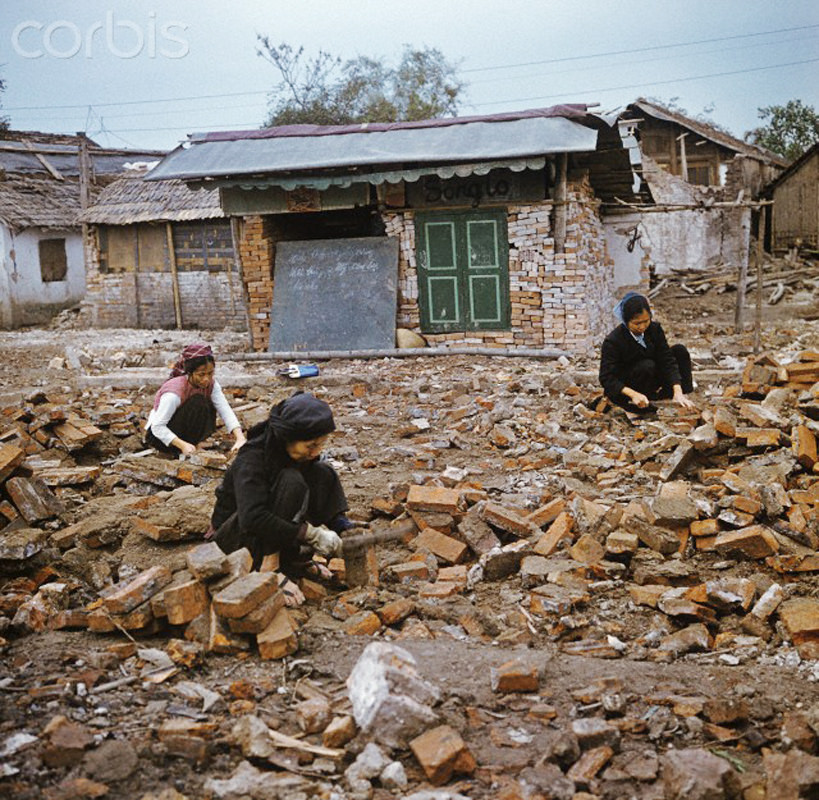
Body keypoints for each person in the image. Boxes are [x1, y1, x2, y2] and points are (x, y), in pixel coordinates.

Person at [208, 391, 352, 604]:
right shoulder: (252, 460)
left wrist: (341, 529)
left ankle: (292, 561)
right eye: (311, 446)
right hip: (234, 541)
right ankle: (269, 567)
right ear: (287, 437)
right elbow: (253, 518)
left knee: (322, 471)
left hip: (264, 535)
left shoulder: (291, 453)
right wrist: (310, 534)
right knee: (292, 481)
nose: (315, 452)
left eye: (320, 444)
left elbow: (315, 487)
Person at [599, 292, 695, 413]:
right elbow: (606, 377)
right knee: (647, 365)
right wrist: (633, 394)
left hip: (650, 377)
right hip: (629, 386)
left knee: (679, 351)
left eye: (646, 321)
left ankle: (680, 398)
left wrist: (677, 390)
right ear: (626, 321)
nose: (642, 326)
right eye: (637, 323)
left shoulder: (654, 329)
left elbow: (666, 359)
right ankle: (644, 403)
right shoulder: (613, 340)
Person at [145, 342, 247, 456]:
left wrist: (240, 438)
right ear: (190, 372)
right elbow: (157, 427)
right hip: (158, 438)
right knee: (198, 401)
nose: (206, 379)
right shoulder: (174, 392)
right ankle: (179, 448)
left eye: (210, 373)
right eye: (201, 374)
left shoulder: (211, 385)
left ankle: (192, 444)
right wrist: (182, 445)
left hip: (182, 433)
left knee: (209, 404)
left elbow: (225, 410)